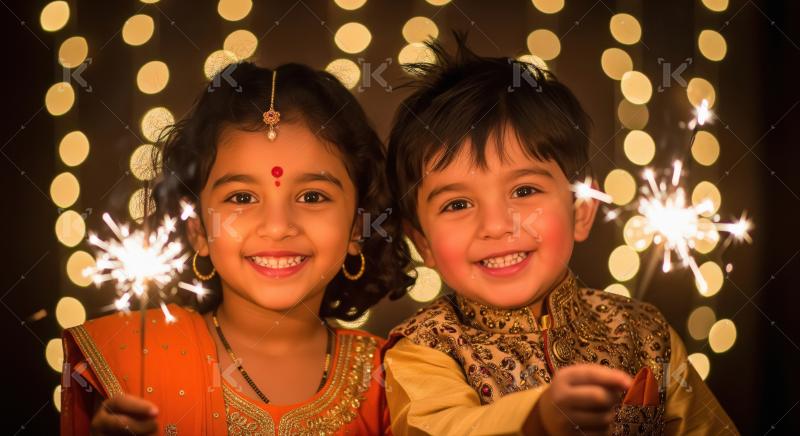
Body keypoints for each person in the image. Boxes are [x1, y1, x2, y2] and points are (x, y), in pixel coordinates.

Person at [382, 34, 738, 435]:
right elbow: (443, 427)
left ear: (581, 211)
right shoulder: (423, 350)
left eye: (524, 191)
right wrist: (536, 416)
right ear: (423, 243)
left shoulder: (647, 332)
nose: (497, 225)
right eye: (458, 204)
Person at [61, 61, 413, 435]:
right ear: (197, 230)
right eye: (241, 197)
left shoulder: (396, 380)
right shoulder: (133, 359)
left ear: (358, 227)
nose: (278, 227)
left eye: (312, 196)